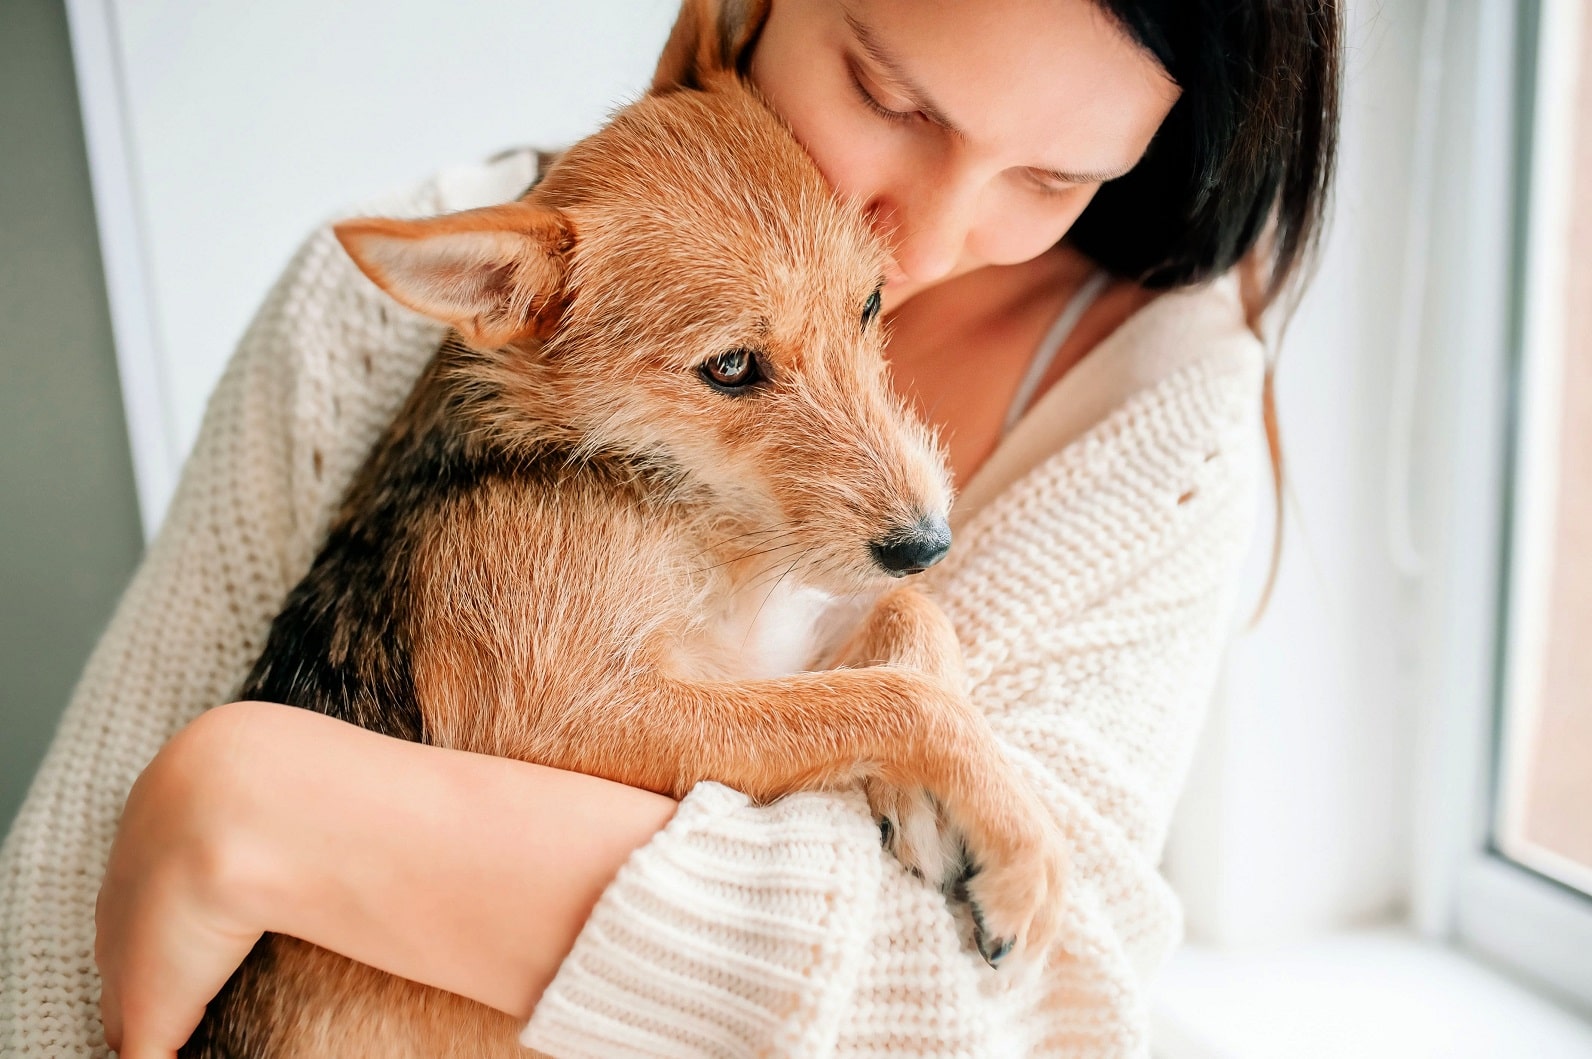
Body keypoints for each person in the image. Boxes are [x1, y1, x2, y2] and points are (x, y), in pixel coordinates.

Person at [0, 0, 1340, 1054]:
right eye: (891, 98)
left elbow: (1018, 1012)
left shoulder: (1169, 433)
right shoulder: (406, 322)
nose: (923, 243)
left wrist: (262, 812)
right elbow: (62, 932)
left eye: (1055, 175)